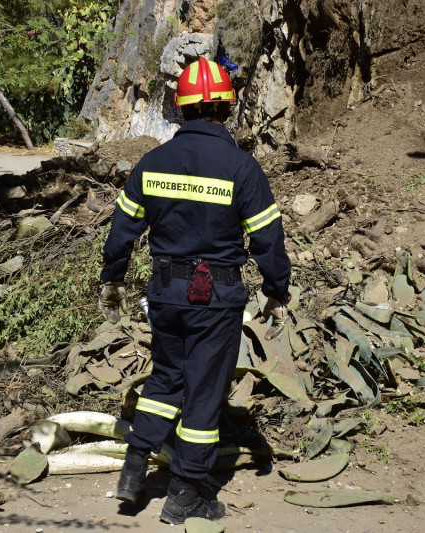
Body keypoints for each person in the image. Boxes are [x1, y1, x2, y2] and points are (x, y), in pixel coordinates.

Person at [98, 57, 292, 525]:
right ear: (227, 106)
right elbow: (267, 239)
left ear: (180, 107)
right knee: (205, 392)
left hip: (165, 293)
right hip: (215, 298)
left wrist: (114, 279)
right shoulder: (241, 168)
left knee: (166, 378)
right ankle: (185, 494)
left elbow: (122, 230)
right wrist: (276, 290)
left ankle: (133, 469)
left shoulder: (153, 163)